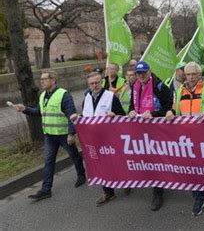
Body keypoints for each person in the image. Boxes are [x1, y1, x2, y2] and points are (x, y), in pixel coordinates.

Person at [13, 70, 86, 201]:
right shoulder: (42, 95)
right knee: (48, 161)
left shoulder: (64, 94)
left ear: (53, 80)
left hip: (64, 134)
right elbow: (39, 112)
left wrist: (71, 133)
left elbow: (71, 115)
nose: (41, 81)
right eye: (41, 79)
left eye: (45, 79)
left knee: (74, 155)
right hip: (49, 136)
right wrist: (25, 109)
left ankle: (81, 174)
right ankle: (46, 190)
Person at [165, 62, 204, 216]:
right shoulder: (180, 91)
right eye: (188, 74)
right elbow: (175, 108)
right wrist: (171, 112)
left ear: (200, 74)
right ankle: (199, 198)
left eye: (194, 74)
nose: (191, 77)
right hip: (186, 139)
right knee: (192, 169)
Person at [70, 72, 126, 206]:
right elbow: (86, 115)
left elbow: (122, 116)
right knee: (101, 165)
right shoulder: (87, 98)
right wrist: (78, 118)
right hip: (94, 139)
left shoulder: (110, 97)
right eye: (91, 83)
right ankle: (108, 192)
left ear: (102, 82)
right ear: (88, 84)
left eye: (97, 83)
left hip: (111, 138)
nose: (94, 86)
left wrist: (114, 115)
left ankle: (125, 180)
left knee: (116, 163)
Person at [128, 61, 173, 211]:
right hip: (140, 129)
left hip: (157, 129)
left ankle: (158, 192)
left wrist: (153, 114)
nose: (141, 76)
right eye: (138, 74)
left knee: (156, 159)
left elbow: (169, 108)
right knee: (146, 158)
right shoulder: (135, 86)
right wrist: (131, 112)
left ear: (149, 72)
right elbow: (132, 106)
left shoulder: (159, 86)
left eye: (144, 73)